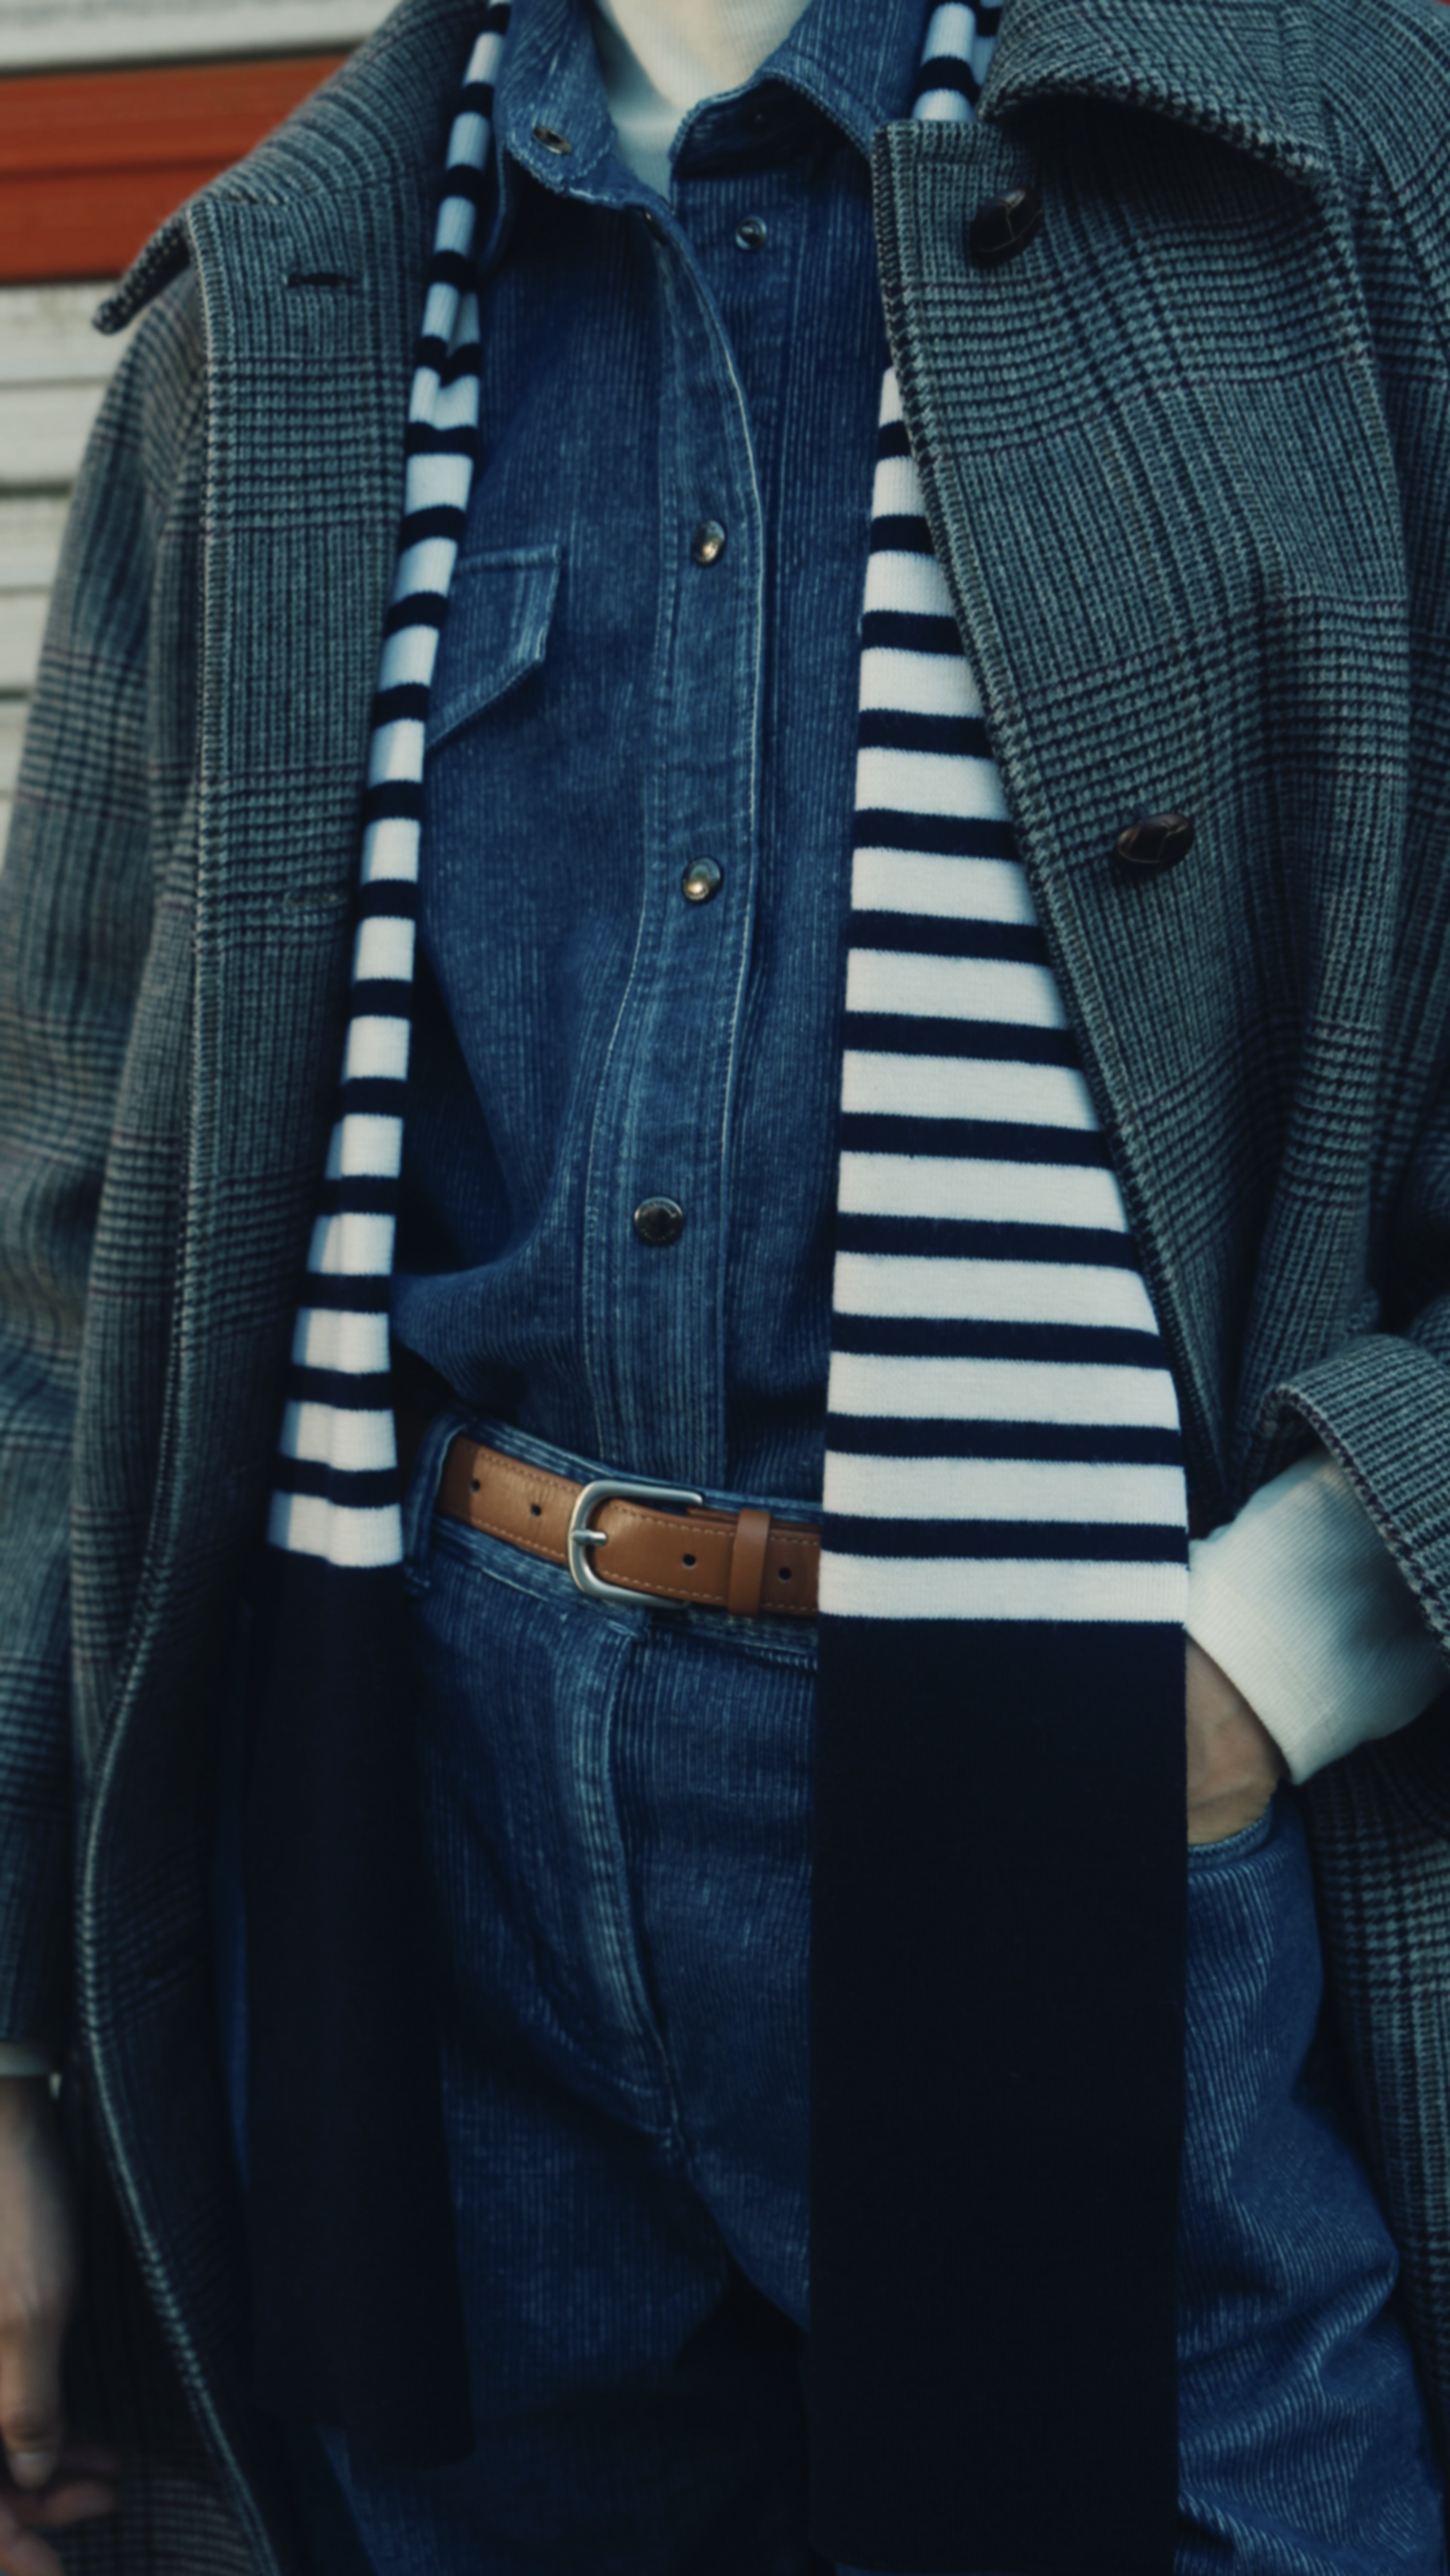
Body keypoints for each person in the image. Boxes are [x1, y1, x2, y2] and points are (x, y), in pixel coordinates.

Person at [4, 0, 1450, 2566]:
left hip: (1104, 1805)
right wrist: (11, 2034)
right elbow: (65, 1246)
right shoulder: (285, 297)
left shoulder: (1342, 162)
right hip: (425, 1821)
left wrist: (1275, 1651)